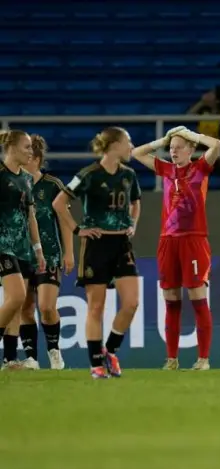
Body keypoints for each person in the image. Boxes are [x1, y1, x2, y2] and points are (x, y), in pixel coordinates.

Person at [53, 127, 141, 379]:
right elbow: (59, 202)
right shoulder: (89, 175)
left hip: (122, 244)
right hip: (97, 244)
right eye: (128, 142)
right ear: (114, 145)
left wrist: (133, 224)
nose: (131, 146)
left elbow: (136, 203)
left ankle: (110, 350)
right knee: (96, 306)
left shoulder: (129, 175)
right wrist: (78, 229)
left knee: (132, 303)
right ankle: (96, 364)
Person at [131, 126, 220, 370]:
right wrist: (162, 139)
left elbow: (216, 145)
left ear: (191, 149)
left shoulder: (200, 168)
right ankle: (172, 359)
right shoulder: (167, 170)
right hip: (168, 240)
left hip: (194, 239)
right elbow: (136, 153)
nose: (174, 152)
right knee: (171, 298)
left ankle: (203, 359)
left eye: (180, 147)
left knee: (197, 296)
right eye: (171, 148)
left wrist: (192, 135)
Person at [19, 134, 73, 370]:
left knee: (47, 306)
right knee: (25, 307)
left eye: (30, 157)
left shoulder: (52, 186)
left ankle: (54, 351)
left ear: (38, 159)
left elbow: (64, 220)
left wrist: (69, 252)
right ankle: (31, 357)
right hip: (21, 255)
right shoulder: (14, 185)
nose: (25, 161)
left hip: (49, 255)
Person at [0, 130, 46, 368]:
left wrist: (37, 248)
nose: (31, 151)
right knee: (17, 296)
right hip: (2, 245)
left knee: (16, 303)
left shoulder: (27, 179)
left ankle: (9, 359)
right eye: (27, 147)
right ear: (13, 148)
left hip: (22, 247)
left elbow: (31, 217)